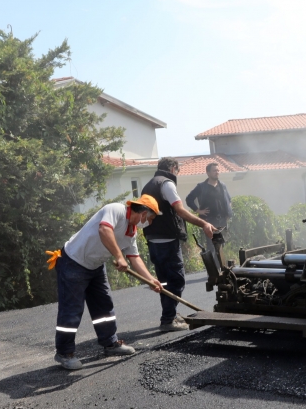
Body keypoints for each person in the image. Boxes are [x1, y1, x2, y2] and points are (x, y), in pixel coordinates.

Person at [47, 195, 163, 371]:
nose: (150, 223)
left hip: (95, 266)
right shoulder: (116, 210)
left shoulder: (131, 232)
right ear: (144, 213)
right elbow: (104, 230)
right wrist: (118, 256)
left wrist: (150, 280)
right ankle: (64, 353)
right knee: (71, 311)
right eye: (151, 219)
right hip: (73, 262)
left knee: (104, 305)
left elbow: (134, 258)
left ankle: (110, 344)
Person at [141, 157, 216, 332]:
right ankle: (168, 320)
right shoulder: (166, 184)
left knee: (164, 281)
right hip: (167, 239)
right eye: (178, 170)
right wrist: (204, 223)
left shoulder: (149, 184)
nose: (178, 173)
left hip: (153, 239)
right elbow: (180, 210)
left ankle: (170, 315)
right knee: (176, 279)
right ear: (173, 168)